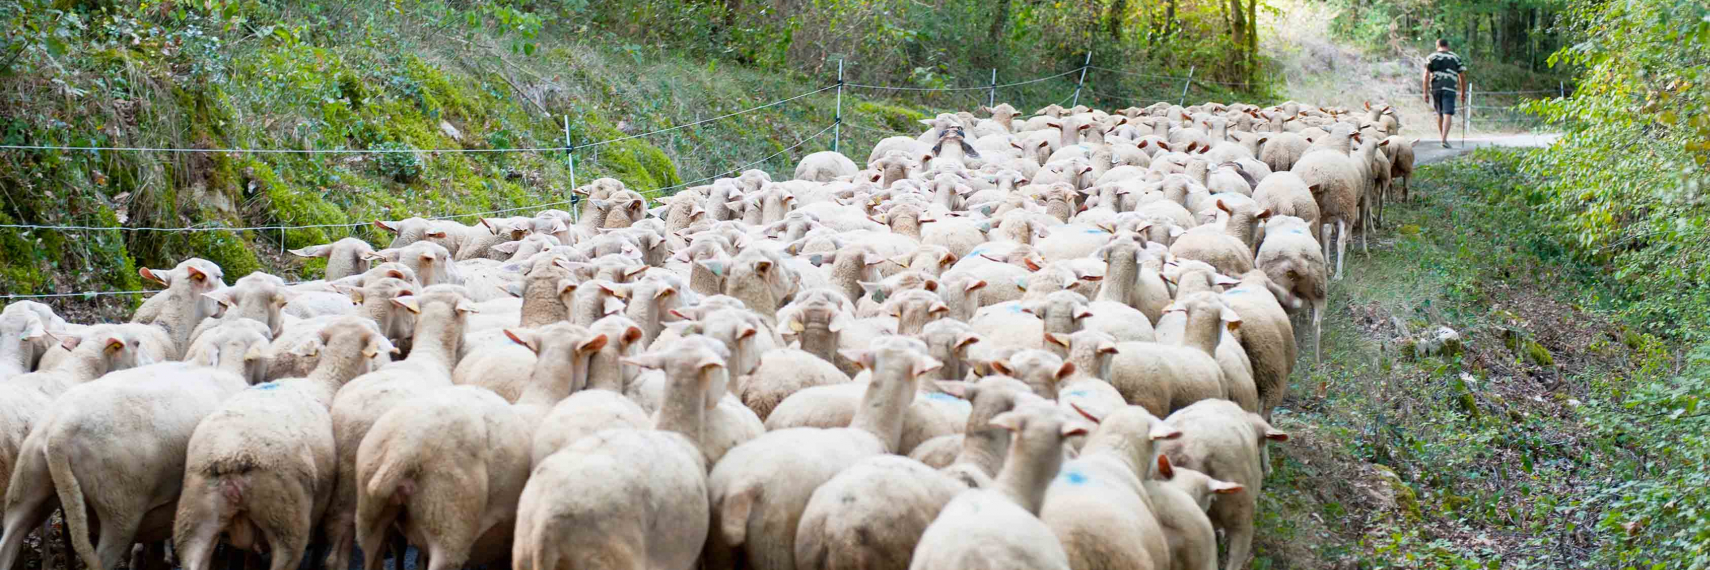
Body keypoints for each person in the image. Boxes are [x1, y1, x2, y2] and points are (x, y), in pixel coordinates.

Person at [1423, 38, 1467, 148]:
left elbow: (1426, 75)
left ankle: (1443, 137)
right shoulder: (1455, 57)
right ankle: (1443, 139)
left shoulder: (1431, 57)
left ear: (1437, 45)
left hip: (1436, 88)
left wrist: (1425, 92)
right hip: (1450, 88)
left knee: (1440, 113)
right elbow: (1461, 76)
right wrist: (1463, 92)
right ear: (1448, 45)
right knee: (1448, 113)